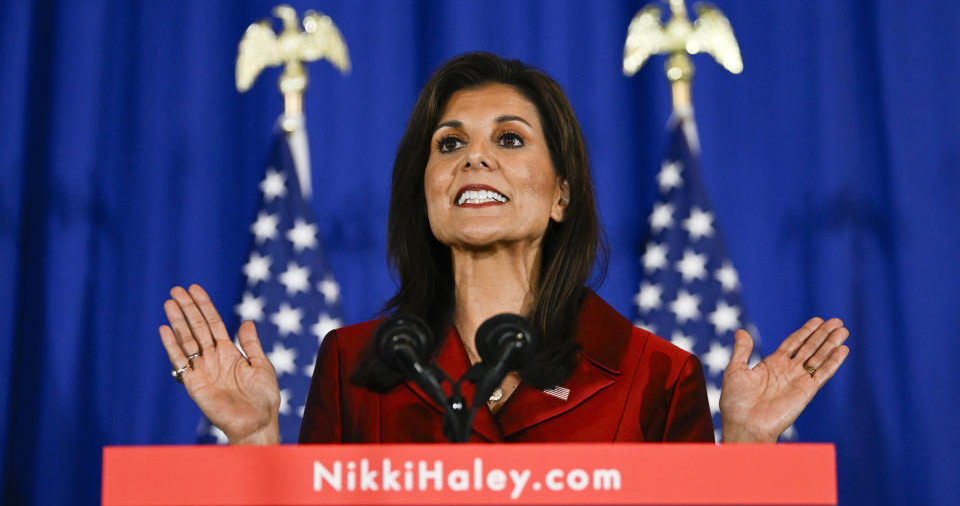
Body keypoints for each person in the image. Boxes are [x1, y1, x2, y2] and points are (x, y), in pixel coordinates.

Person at [159, 53, 849, 446]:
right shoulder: (356, 367)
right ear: (424, 194)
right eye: (449, 143)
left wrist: (750, 444)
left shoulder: (655, 376)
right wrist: (252, 438)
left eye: (510, 139)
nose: (474, 159)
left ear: (561, 195)